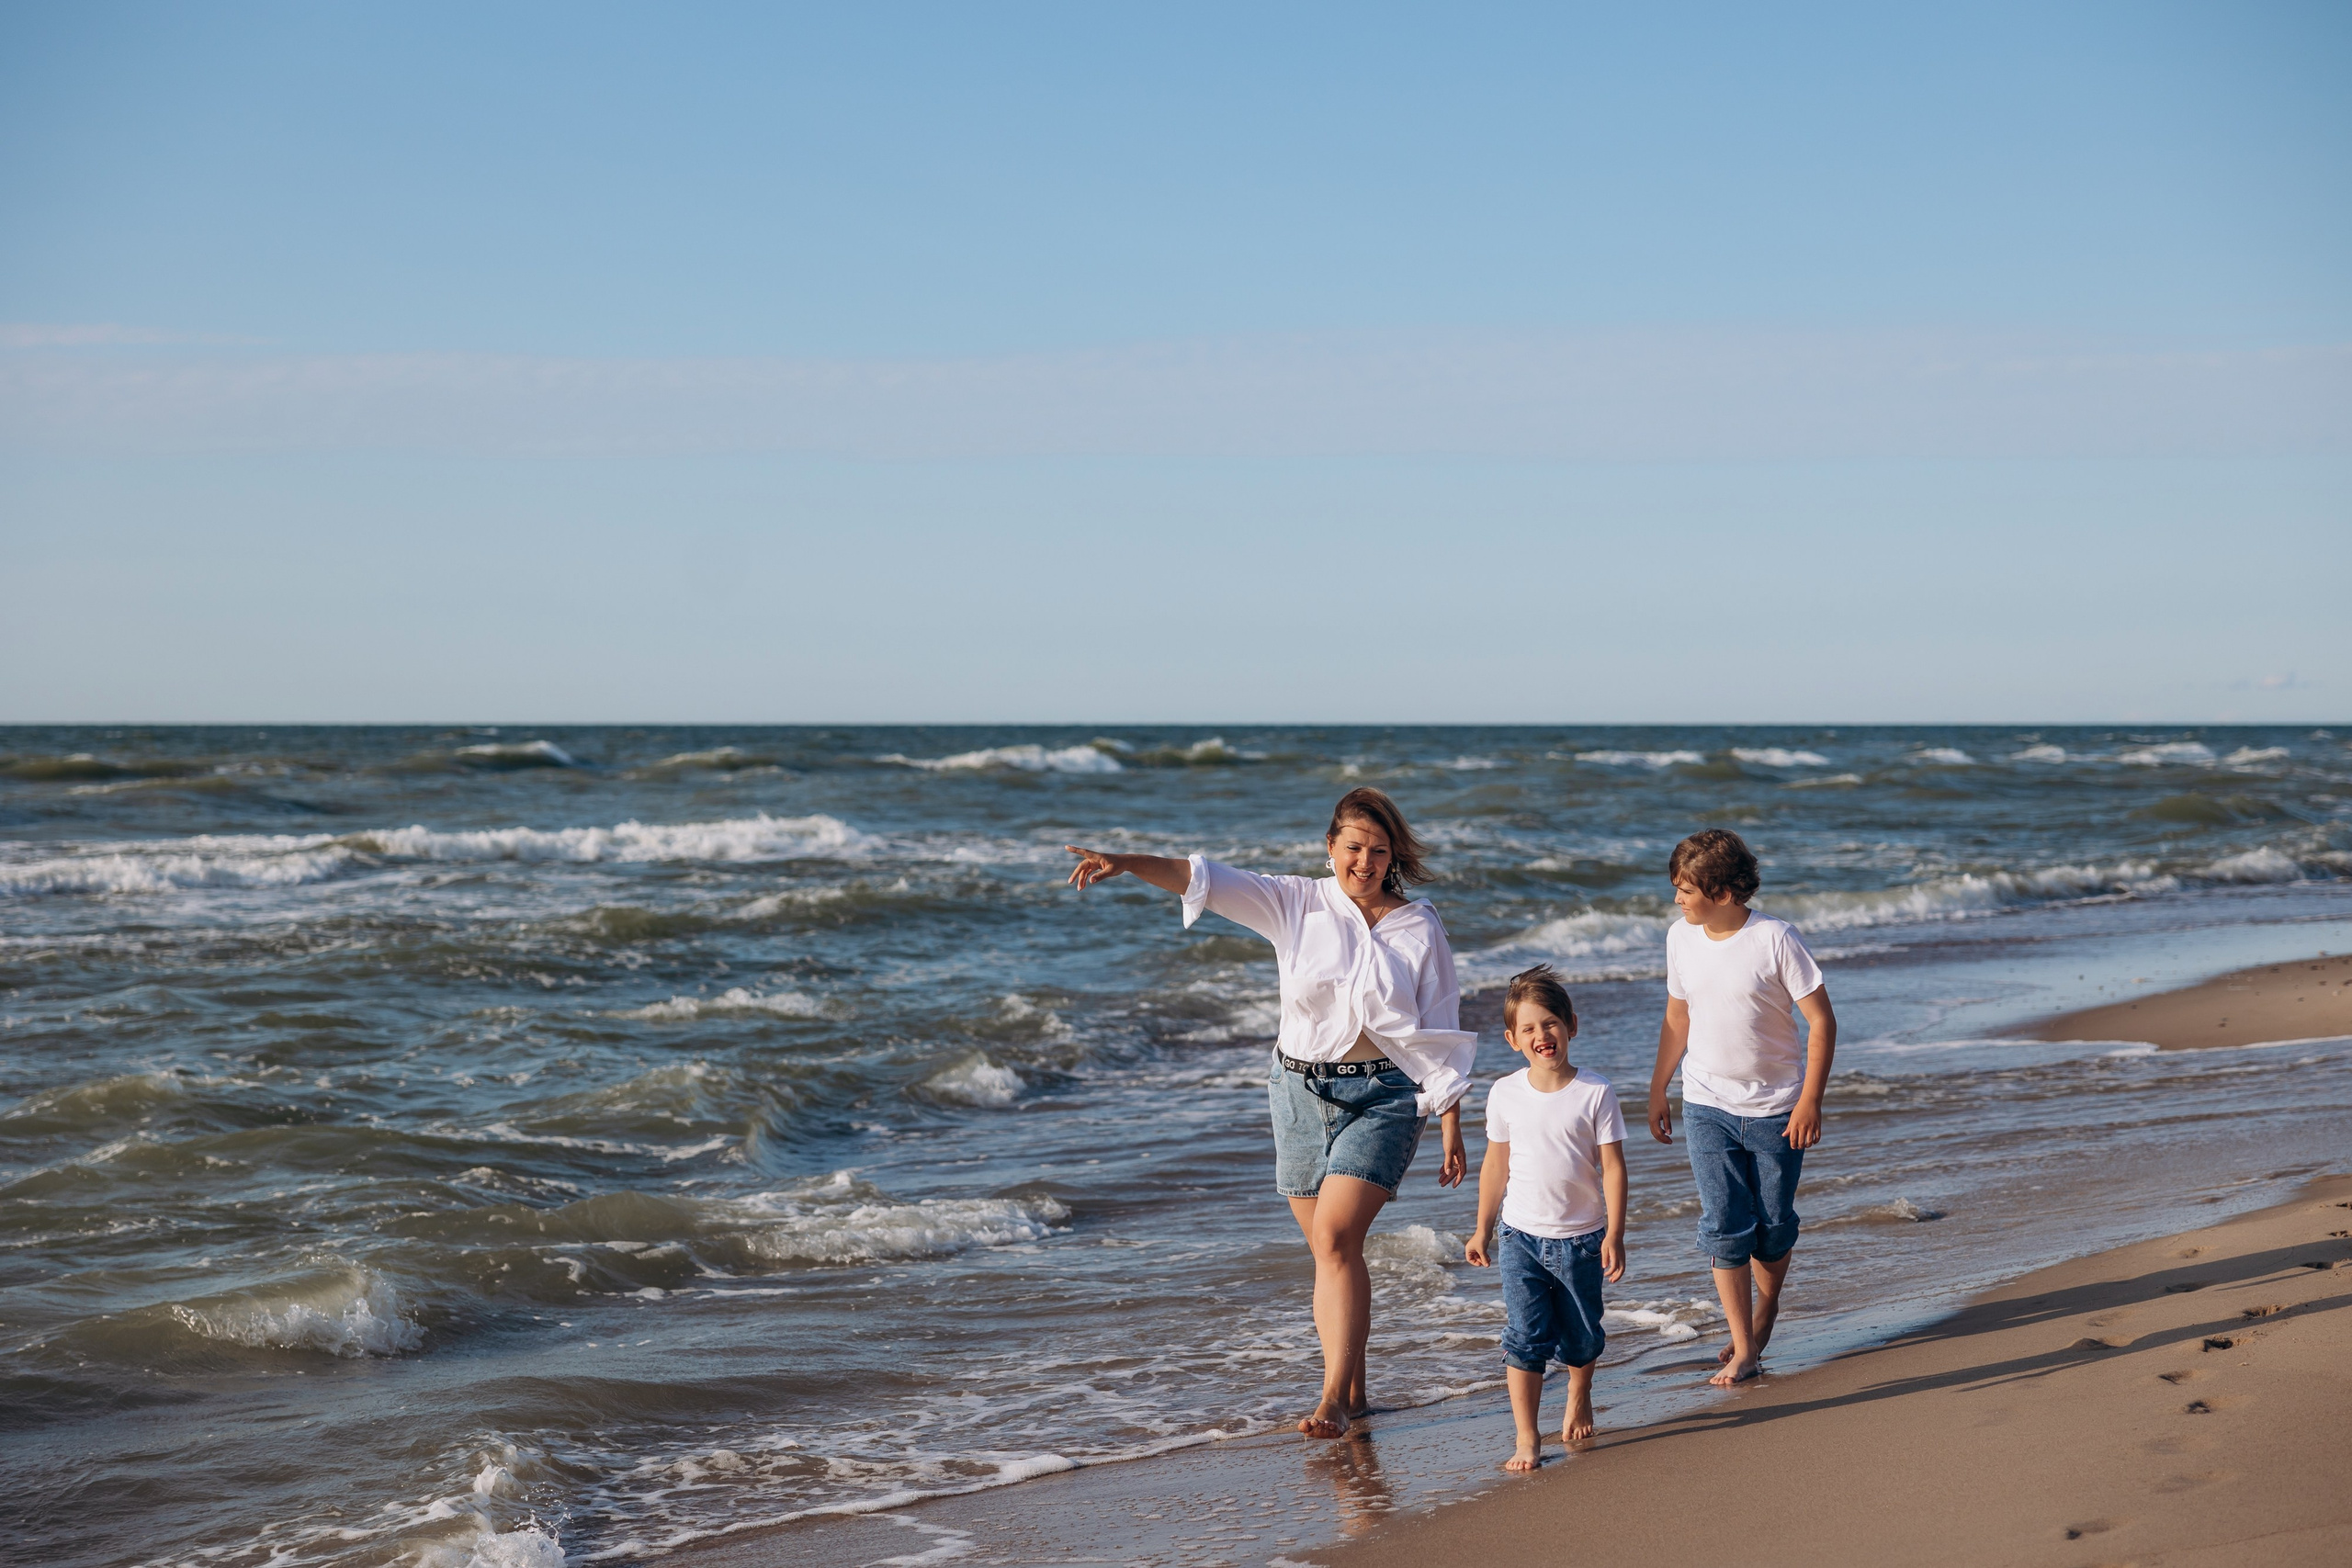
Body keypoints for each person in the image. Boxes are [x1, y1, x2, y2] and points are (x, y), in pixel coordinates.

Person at [1064, 786, 1475, 1438]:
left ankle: (1333, 1397)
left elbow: (1441, 1024)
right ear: (1330, 847)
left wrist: (1449, 1116)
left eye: (1376, 850)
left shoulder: (1419, 925)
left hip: (1386, 1097)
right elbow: (1202, 878)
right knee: (1330, 1251)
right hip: (1296, 1093)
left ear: (1393, 854)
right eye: (1352, 848)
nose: (1363, 862)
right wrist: (1126, 860)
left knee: (1337, 1239)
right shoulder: (1295, 901)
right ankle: (1358, 1388)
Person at [1645, 828, 1837, 1387]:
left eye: (1686, 889)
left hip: (1778, 1109)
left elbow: (1821, 1021)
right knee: (1726, 1226)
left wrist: (1810, 1101)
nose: (1677, 900)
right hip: (1706, 1104)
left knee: (1773, 1227)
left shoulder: (1775, 939)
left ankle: (1766, 1308)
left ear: (1725, 892)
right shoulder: (1680, 939)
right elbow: (1677, 1016)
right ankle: (1745, 1347)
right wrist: (1660, 1085)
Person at [1465, 964, 1627, 1472]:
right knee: (1525, 1337)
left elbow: (1614, 1168)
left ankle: (1579, 1391)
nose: (1543, 1035)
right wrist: (1482, 1227)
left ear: (1571, 1025)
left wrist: (1616, 1234)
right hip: (1520, 1238)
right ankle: (1527, 1436)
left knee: (1582, 1336)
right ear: (1513, 1039)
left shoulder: (1595, 1092)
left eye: (1551, 1023)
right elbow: (1496, 1164)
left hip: (1582, 1238)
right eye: (1530, 1029)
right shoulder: (1505, 1092)